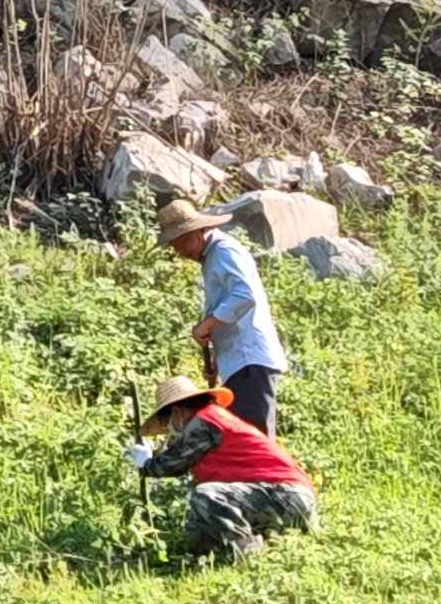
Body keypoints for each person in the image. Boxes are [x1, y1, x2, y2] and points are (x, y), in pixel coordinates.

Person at [129, 378, 317, 561]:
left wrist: (147, 463)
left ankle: (250, 555)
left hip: (287, 496)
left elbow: (170, 465)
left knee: (207, 495)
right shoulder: (214, 417)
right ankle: (194, 560)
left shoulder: (202, 422)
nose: (168, 429)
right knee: (199, 519)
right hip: (287, 497)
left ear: (177, 411)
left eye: (165, 421)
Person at [154, 199, 289, 430]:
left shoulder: (224, 250)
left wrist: (207, 323)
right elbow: (229, 309)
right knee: (243, 441)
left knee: (254, 442)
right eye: (176, 246)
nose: (183, 250)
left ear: (201, 229)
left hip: (249, 362)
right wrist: (217, 356)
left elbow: (245, 295)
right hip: (238, 363)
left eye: (185, 239)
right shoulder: (211, 258)